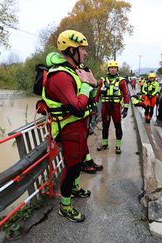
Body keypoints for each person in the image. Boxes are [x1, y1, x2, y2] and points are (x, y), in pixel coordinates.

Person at [42, 30, 99, 222]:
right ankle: (65, 207)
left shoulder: (74, 71)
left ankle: (74, 189)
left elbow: (89, 93)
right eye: (83, 48)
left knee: (80, 161)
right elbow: (76, 107)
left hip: (79, 127)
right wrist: (85, 85)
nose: (85, 52)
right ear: (72, 49)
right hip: (68, 128)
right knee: (72, 167)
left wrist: (92, 83)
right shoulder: (59, 76)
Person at [96, 60, 130, 154]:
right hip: (105, 107)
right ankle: (105, 144)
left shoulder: (121, 81)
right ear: (108, 69)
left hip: (115, 107)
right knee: (105, 126)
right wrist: (95, 105)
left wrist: (126, 108)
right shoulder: (102, 80)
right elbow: (97, 93)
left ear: (117, 69)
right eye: (111, 67)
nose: (113, 69)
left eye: (115, 67)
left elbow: (126, 94)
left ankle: (118, 146)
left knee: (117, 126)